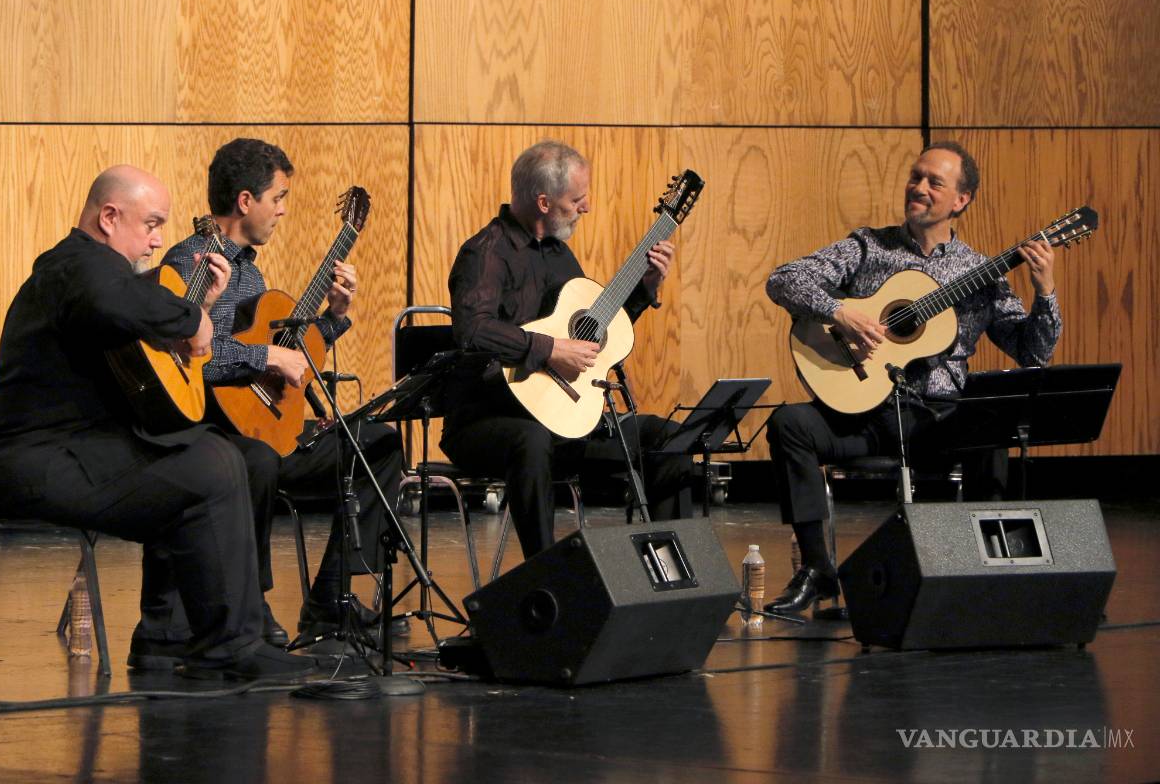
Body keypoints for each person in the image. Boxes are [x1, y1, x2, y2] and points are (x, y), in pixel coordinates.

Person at [0, 165, 316, 679]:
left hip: (85, 450)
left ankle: (175, 634)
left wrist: (195, 307)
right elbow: (113, 299)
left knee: (238, 456)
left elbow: (132, 334)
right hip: (33, 461)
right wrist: (193, 319)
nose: (158, 240)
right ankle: (227, 645)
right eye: (151, 224)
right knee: (209, 462)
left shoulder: (103, 276)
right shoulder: (73, 266)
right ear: (109, 217)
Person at [763, 141, 1061, 616]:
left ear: (961, 200)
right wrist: (840, 311)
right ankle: (818, 572)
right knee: (789, 424)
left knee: (992, 428)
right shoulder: (868, 246)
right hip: (867, 411)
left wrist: (1045, 293)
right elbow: (784, 279)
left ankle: (984, 571)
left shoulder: (979, 272)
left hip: (939, 419)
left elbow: (1031, 352)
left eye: (934, 182)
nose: (918, 188)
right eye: (915, 177)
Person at [162, 138, 404, 645]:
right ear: (245, 201)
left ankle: (331, 599)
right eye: (278, 197)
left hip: (264, 426)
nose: (283, 210)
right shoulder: (194, 262)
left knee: (379, 442)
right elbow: (188, 361)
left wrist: (334, 318)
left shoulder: (249, 269)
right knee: (256, 463)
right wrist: (264, 357)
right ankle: (248, 605)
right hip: (213, 432)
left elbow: (287, 348)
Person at [442, 140, 694, 559]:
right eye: (577, 199)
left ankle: (672, 570)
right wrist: (547, 348)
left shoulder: (560, 256)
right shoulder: (485, 254)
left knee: (666, 438)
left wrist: (644, 290)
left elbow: (593, 341)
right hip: (487, 421)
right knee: (531, 441)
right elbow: (472, 331)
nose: (587, 207)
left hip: (563, 420)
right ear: (543, 202)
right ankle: (547, 578)